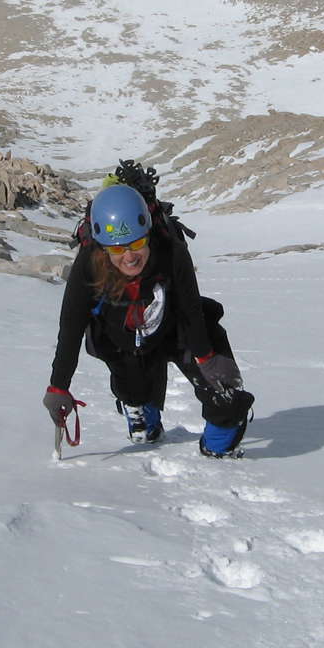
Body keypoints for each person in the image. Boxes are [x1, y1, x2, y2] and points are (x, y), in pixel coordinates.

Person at [45, 178, 254, 457]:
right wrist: (59, 386)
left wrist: (207, 359)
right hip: (122, 339)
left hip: (175, 328)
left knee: (224, 392)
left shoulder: (171, 252)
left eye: (137, 243)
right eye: (117, 248)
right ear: (103, 247)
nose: (129, 256)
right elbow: (71, 328)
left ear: (148, 233)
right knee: (135, 393)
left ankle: (219, 450)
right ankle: (142, 412)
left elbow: (191, 310)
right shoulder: (88, 265)